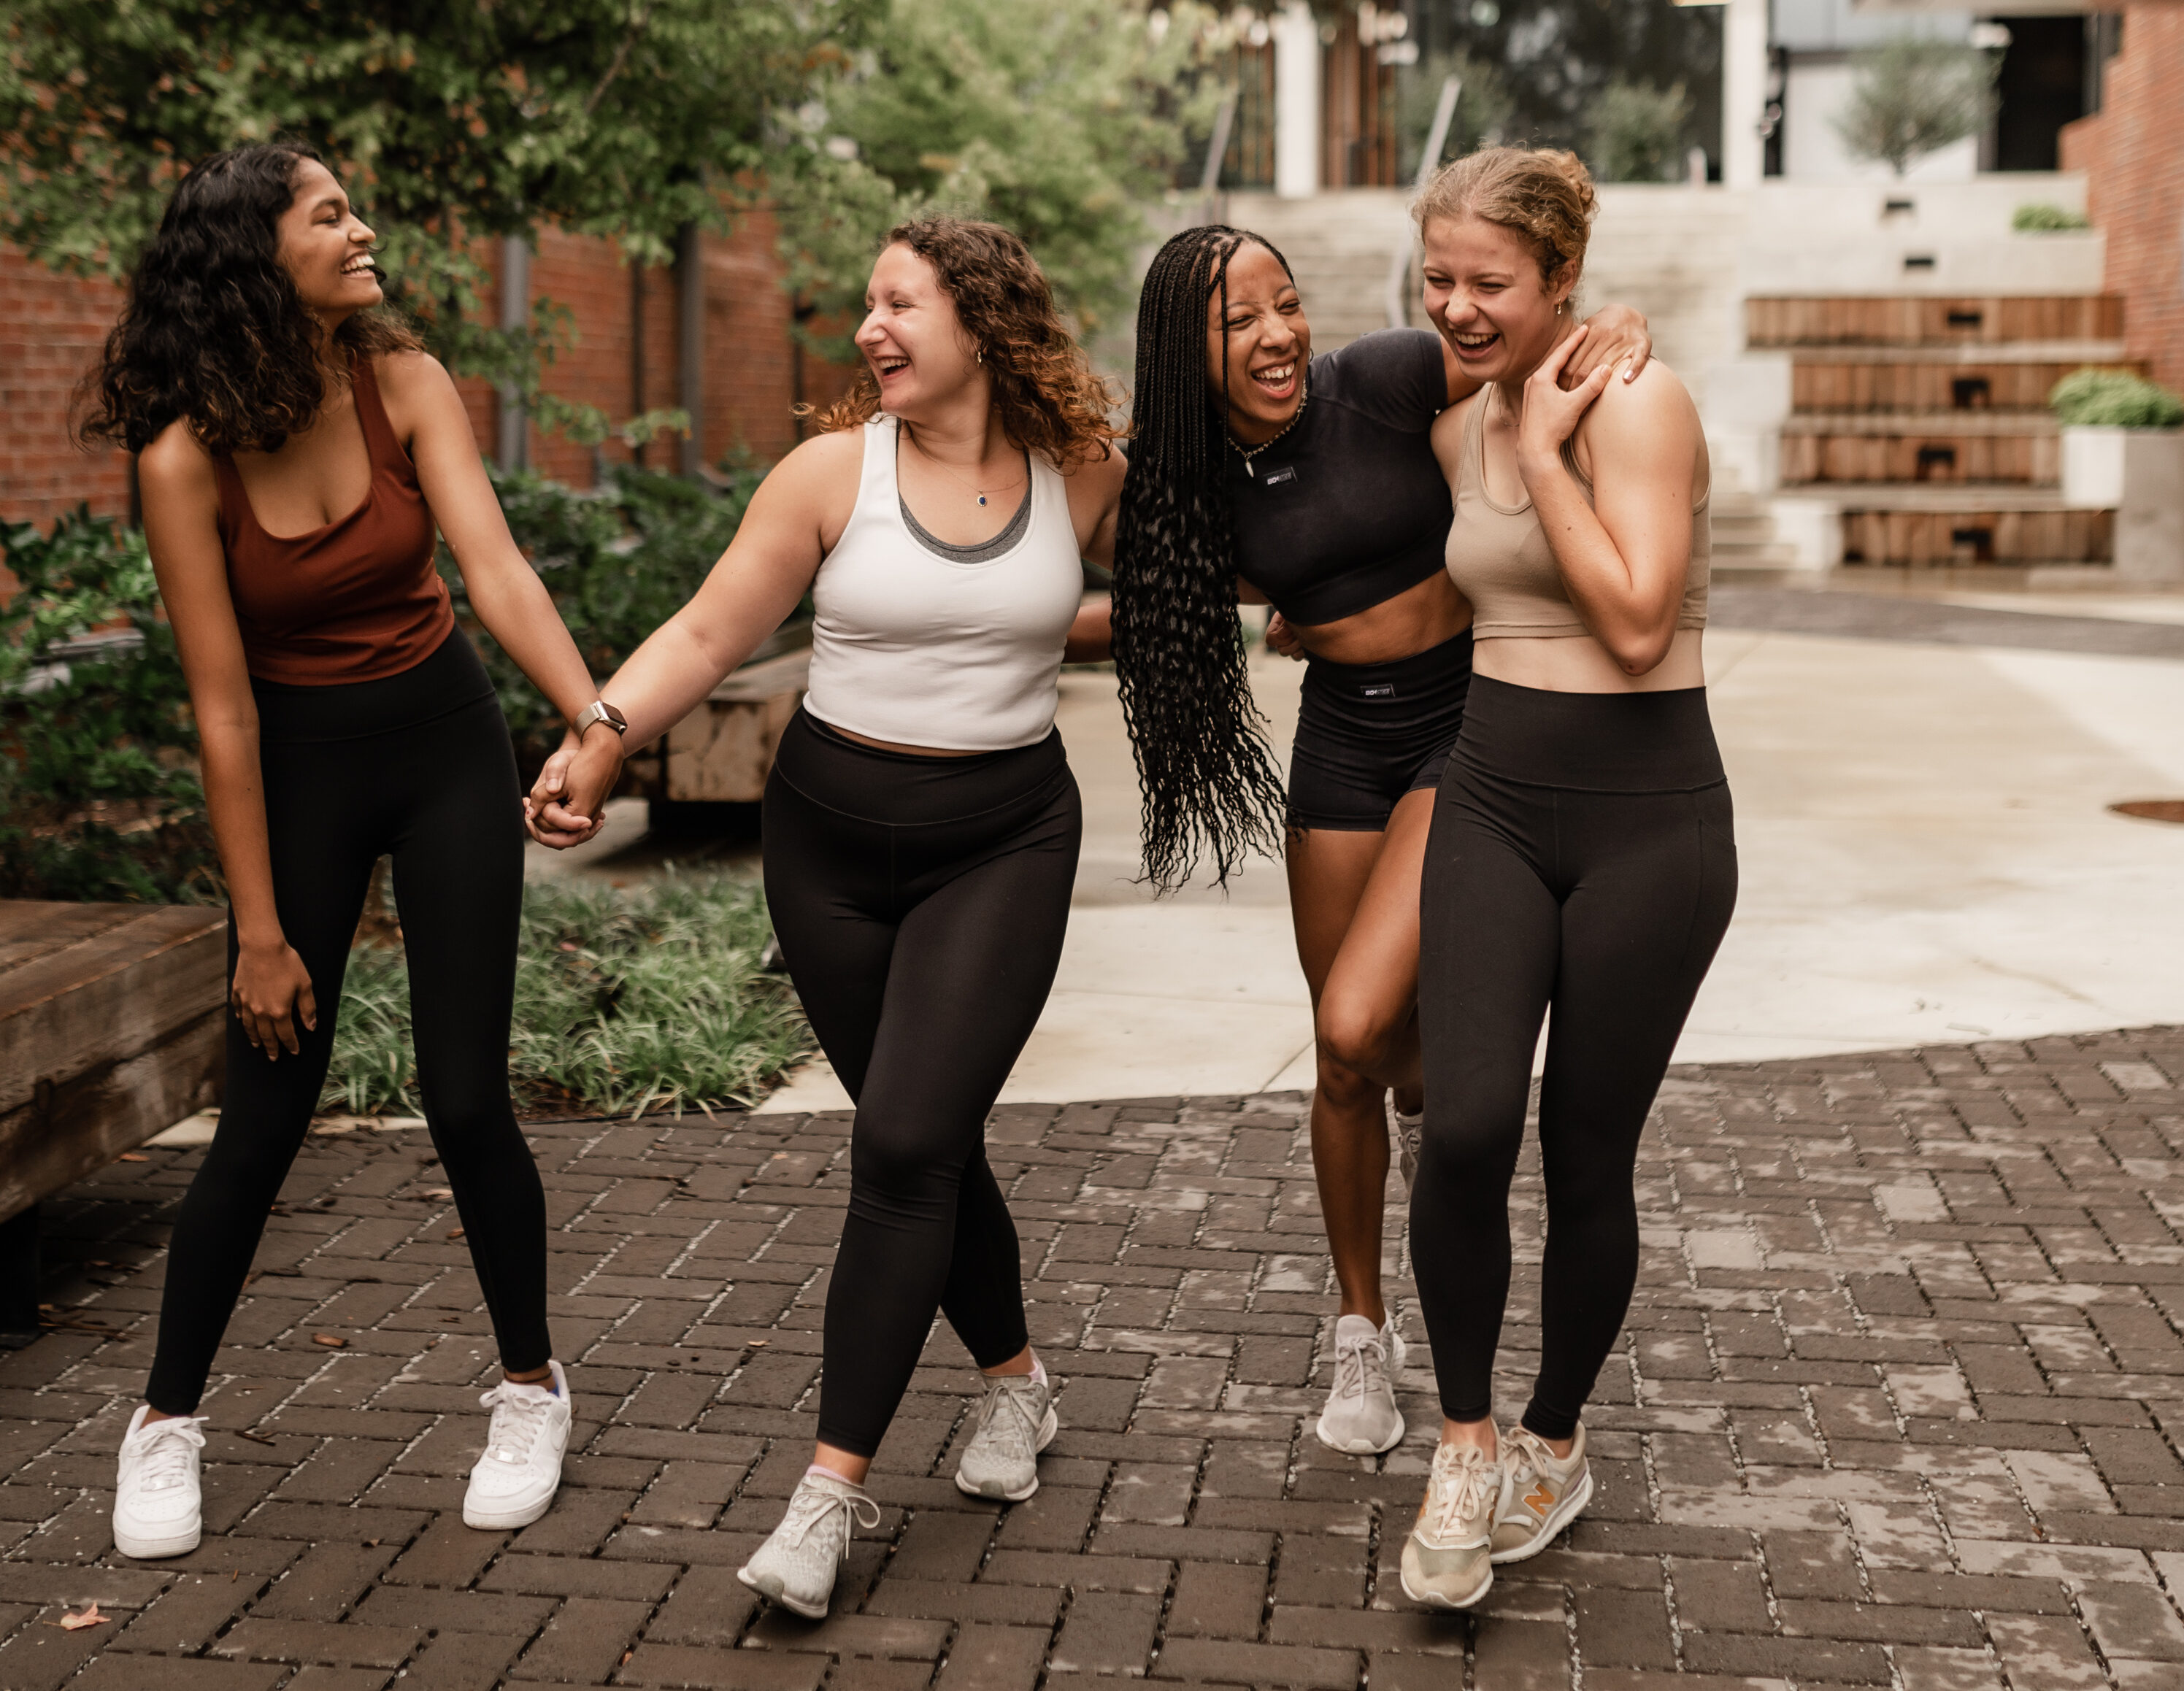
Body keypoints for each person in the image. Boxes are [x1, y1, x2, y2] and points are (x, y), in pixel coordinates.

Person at [526, 218, 1124, 1620]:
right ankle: (1019, 1385)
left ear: (977, 321)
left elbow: (1225, 543)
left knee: (904, 1141)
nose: (870, 326)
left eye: (899, 302)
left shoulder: (1081, 472)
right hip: (830, 849)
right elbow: (705, 633)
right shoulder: (827, 475)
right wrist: (601, 740)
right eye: (868, 303)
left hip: (1004, 840)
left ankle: (826, 1495)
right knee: (926, 1138)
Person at [82, 143, 616, 1560]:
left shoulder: (406, 383)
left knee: (462, 1095)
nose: (363, 229)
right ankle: (164, 1424)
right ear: (255, 258)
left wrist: (592, 717)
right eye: (329, 216)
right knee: (260, 1116)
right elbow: (219, 710)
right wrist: (255, 930)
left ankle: (527, 1384)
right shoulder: (184, 456)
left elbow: (491, 565)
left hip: (442, 744)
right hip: (302, 771)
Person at [1110, 225, 1648, 1457]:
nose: (1278, 335)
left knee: (1358, 1021)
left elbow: (1530, 362)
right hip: (1343, 744)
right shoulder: (1181, 475)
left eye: (1286, 305)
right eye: (1238, 320)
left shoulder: (1389, 376)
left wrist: (1614, 334)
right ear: (1181, 353)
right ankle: (1362, 1329)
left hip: (1468, 726)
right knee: (1354, 1063)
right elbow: (1138, 590)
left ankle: (1430, 1170)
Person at [1399, 147, 1735, 1609]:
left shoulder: (1635, 401)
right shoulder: (1436, 417)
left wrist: (1543, 448)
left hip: (1648, 822)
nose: (1459, 308)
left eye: (1489, 284)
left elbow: (1640, 623)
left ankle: (1550, 1440)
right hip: (1490, 799)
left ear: (1559, 285)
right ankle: (1461, 1442)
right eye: (1438, 280)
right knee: (1462, 1121)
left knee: (1586, 1154)